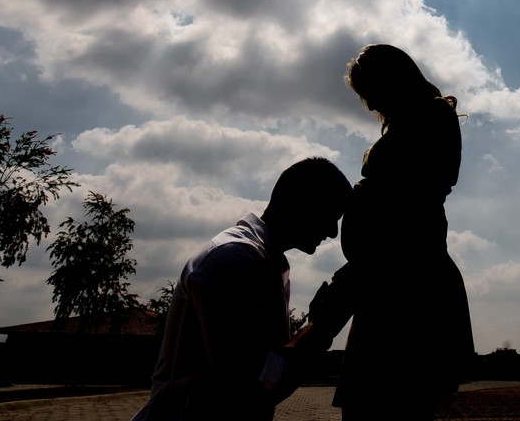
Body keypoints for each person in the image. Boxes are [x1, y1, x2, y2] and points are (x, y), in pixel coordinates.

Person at [312, 44, 475, 421]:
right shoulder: (417, 124)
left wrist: (346, 283)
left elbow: (402, 216)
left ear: (394, 81)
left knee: (385, 405)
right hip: (388, 283)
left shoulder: (430, 120)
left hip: (405, 287)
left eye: (370, 92)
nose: (369, 105)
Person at [130, 156, 352, 421]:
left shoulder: (265, 262)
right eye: (331, 215)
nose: (333, 232)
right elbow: (247, 388)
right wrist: (322, 327)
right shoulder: (235, 258)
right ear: (302, 203)